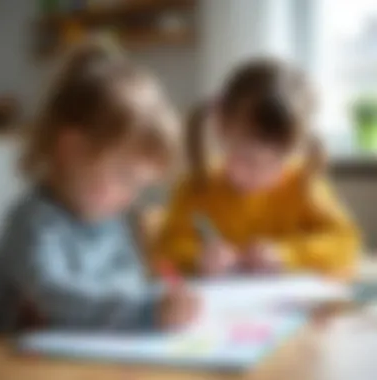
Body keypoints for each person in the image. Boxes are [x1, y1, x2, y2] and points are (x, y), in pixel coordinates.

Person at [0, 39, 198, 331]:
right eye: (125, 178)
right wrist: (145, 311)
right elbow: (55, 297)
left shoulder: (113, 220)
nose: (130, 198)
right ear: (71, 151)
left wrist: (162, 301)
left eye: (138, 186)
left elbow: (130, 282)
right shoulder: (31, 224)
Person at [154, 59, 360, 278]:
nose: (258, 173)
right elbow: (164, 252)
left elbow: (346, 242)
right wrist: (198, 257)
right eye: (246, 158)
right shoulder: (196, 187)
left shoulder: (303, 184)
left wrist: (286, 254)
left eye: (275, 161)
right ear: (222, 132)